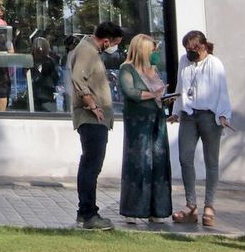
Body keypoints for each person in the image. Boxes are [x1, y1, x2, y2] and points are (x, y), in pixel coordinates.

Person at [170, 29, 232, 228]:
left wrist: (223, 114)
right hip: (189, 115)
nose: (190, 53)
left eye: (193, 49)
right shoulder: (184, 62)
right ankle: (191, 205)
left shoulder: (214, 64)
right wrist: (176, 111)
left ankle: (209, 206)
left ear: (203, 46)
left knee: (211, 161)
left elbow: (222, 90)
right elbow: (181, 87)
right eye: (187, 49)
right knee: (185, 158)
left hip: (209, 116)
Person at [70, 21, 124, 230]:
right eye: (115, 44)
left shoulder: (90, 51)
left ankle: (85, 212)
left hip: (95, 118)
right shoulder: (87, 51)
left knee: (91, 165)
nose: (114, 48)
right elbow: (78, 78)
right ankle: (89, 213)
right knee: (91, 166)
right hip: (91, 118)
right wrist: (92, 105)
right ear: (106, 40)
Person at [117, 34, 172, 224]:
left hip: (157, 120)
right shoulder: (127, 69)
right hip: (138, 124)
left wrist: (164, 98)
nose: (155, 53)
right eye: (152, 50)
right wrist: (153, 94)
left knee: (158, 163)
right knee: (139, 163)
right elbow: (130, 92)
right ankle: (133, 209)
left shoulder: (153, 70)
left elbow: (158, 94)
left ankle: (157, 209)